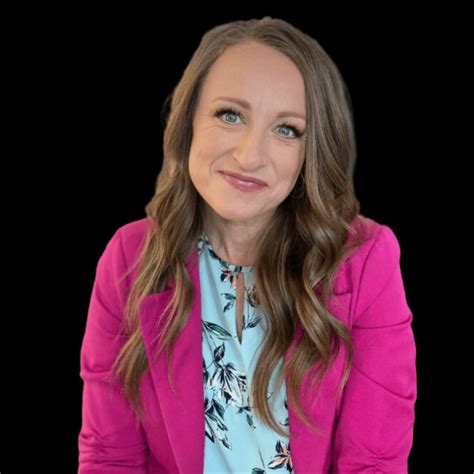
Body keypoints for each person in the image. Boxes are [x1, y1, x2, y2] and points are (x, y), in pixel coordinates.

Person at [78, 17, 417, 473]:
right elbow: (110, 458)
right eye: (230, 115)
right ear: (189, 121)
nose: (249, 156)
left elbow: (373, 464)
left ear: (311, 151)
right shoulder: (129, 257)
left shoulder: (364, 261)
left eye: (287, 129)